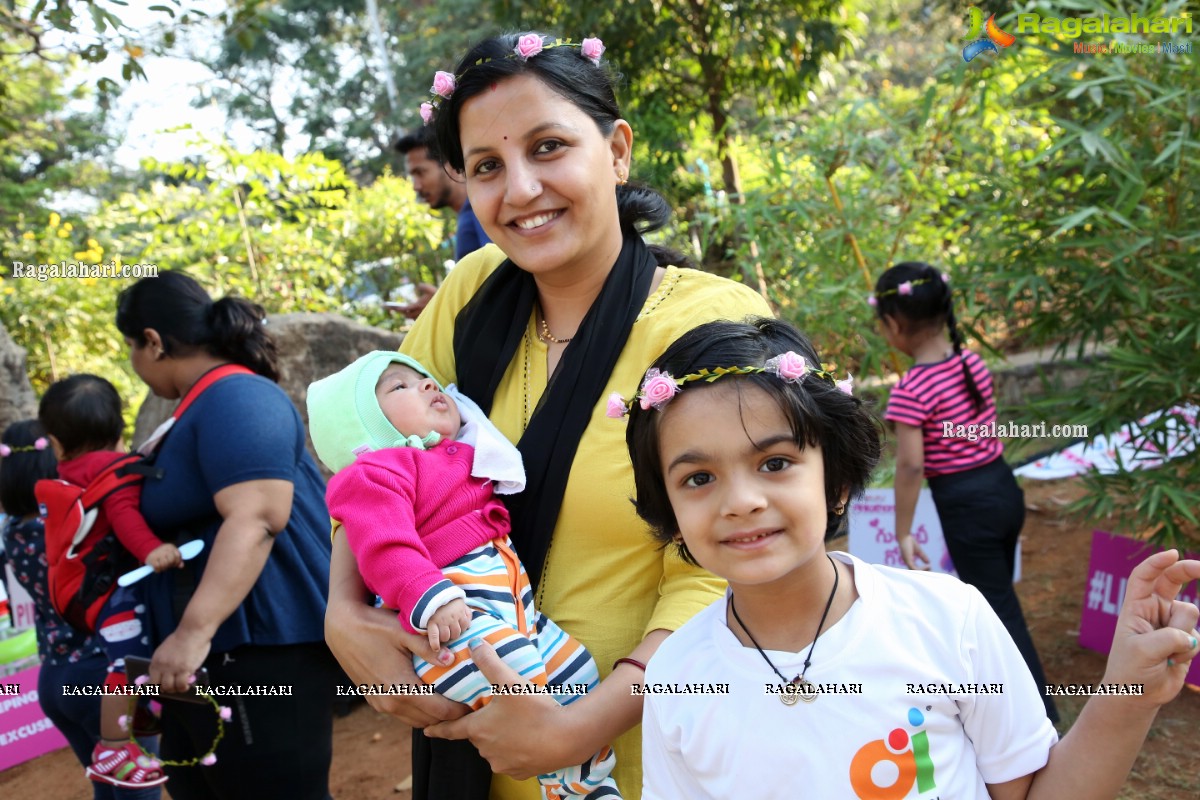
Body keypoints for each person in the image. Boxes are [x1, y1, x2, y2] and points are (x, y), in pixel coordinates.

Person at [323, 31, 773, 800]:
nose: (522, 189)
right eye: (488, 167)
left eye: (549, 146)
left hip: (649, 750)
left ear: (618, 150)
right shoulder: (471, 293)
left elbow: (727, 554)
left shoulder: (706, 322)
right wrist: (341, 613)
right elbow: (373, 453)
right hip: (478, 750)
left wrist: (582, 725)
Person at [621, 317, 1200, 799]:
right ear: (669, 511)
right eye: (699, 477)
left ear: (838, 480)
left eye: (775, 463)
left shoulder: (949, 620)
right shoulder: (676, 679)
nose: (742, 502)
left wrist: (1129, 693)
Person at [307, 351, 622, 799]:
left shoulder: (456, 451)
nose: (429, 386)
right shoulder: (373, 472)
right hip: (452, 621)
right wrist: (429, 595)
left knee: (576, 669)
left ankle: (589, 786)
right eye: (400, 387)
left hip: (515, 609)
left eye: (427, 380)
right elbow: (383, 543)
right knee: (519, 671)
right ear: (362, 428)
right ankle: (562, 785)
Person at [114, 270, 341, 800]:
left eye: (131, 346)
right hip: (213, 654)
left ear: (153, 340)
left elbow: (258, 515)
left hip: (259, 649)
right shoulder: (202, 405)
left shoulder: (237, 396)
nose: (134, 361)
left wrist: (192, 633)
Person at [872, 261, 1058, 722]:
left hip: (967, 505)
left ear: (893, 323)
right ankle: (1017, 703)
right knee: (999, 599)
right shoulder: (970, 362)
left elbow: (912, 464)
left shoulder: (912, 389)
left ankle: (1038, 714)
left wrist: (903, 530)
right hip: (1001, 488)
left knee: (997, 612)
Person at [0, 419, 162, 800]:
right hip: (101, 677)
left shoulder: (13, 533)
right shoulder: (67, 527)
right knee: (139, 790)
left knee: (108, 788)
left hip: (54, 679)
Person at [38, 374, 181, 788]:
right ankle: (115, 744)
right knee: (127, 663)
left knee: (127, 661)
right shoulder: (113, 474)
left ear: (57, 442)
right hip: (112, 599)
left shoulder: (67, 472)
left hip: (81, 597)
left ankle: (120, 742)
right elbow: (125, 518)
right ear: (119, 428)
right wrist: (153, 550)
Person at [395, 126, 491, 258]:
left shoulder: (483, 212)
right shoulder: (470, 214)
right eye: (413, 176)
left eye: (420, 173)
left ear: (451, 166)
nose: (415, 186)